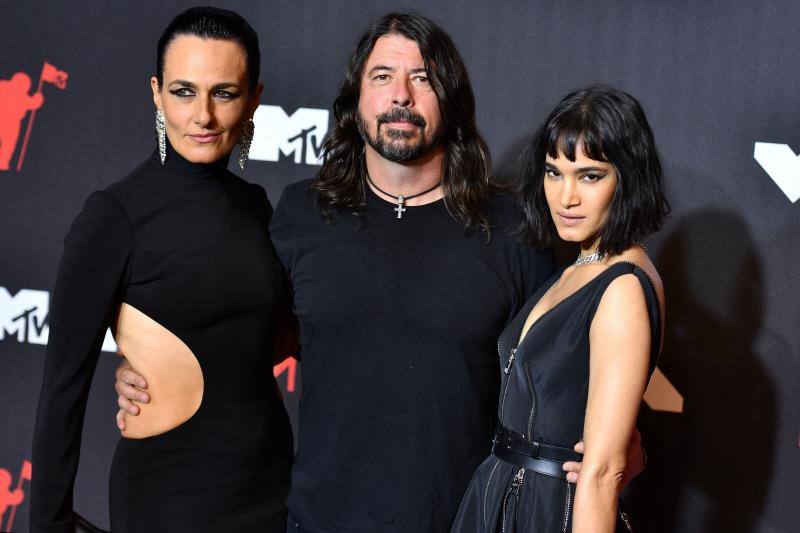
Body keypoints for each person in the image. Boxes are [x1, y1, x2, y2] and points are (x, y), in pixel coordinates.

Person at [116, 13, 645, 531]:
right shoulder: (302, 214)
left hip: (465, 521)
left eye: (423, 78)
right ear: (355, 99)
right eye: (383, 76)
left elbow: (555, 376)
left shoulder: (514, 230)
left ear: (452, 99)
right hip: (317, 521)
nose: (401, 96)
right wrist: (155, 375)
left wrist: (618, 449)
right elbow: (245, 346)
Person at [29, 7, 293, 532]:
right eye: (183, 91)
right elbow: (62, 393)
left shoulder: (258, 206)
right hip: (169, 498)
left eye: (223, 92)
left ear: (254, 99)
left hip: (273, 490)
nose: (203, 116)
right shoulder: (114, 216)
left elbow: (268, 339)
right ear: (156, 92)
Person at [451, 86, 669, 532]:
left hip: (548, 512)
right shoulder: (581, 264)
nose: (565, 196)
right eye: (554, 172)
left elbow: (604, 473)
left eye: (590, 176)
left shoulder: (623, 286)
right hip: (503, 497)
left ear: (627, 179)